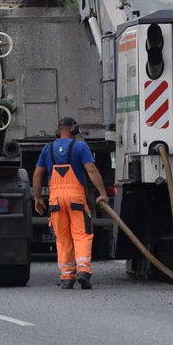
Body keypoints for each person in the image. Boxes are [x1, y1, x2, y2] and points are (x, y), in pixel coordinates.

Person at [32, 117, 109, 290]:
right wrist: (102, 193)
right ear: (73, 130)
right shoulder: (80, 146)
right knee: (82, 234)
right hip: (75, 197)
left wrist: (37, 198)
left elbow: (37, 174)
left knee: (62, 237)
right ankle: (82, 271)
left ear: (58, 130)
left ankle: (67, 277)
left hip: (55, 199)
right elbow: (91, 169)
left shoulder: (47, 149)